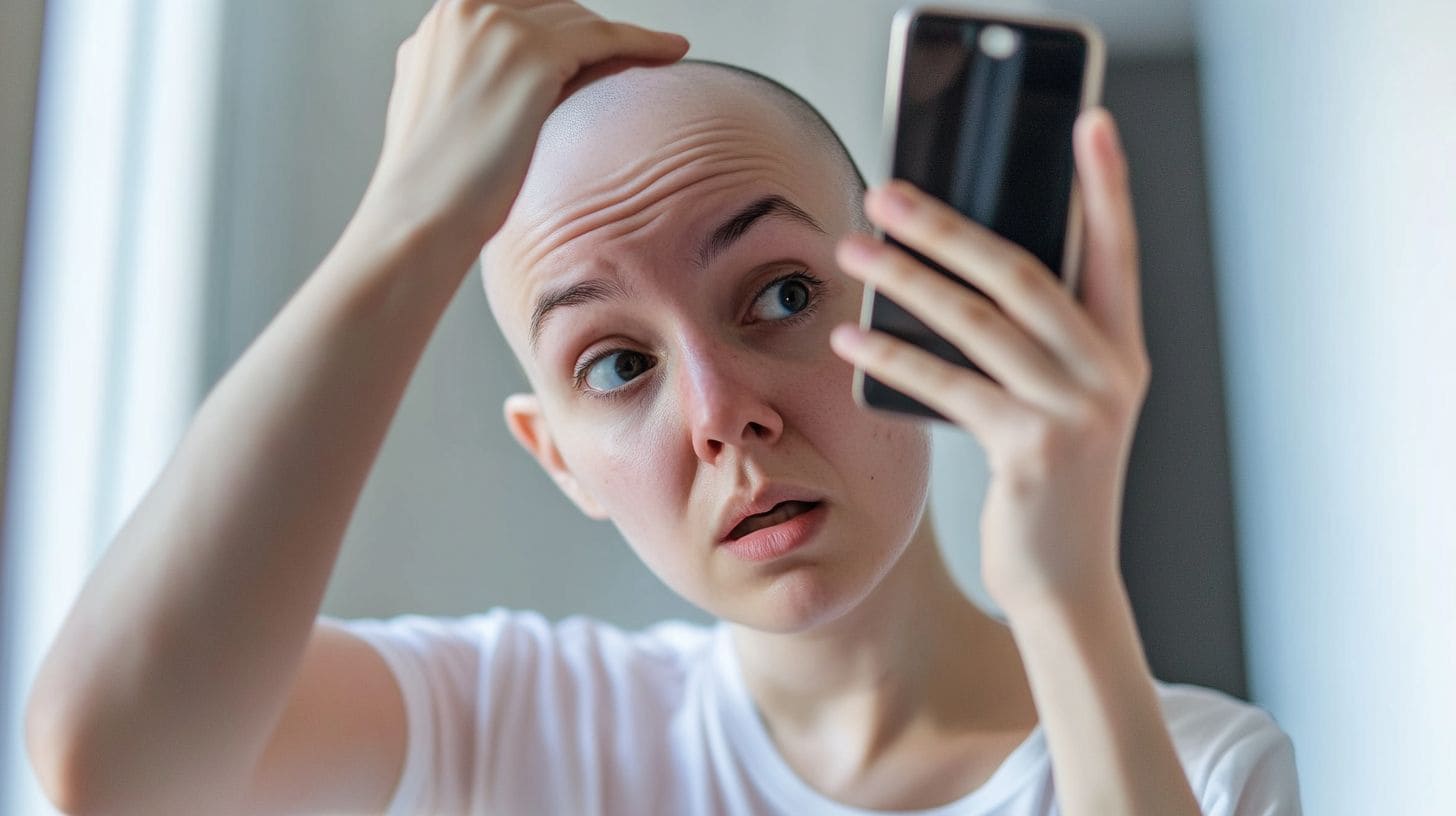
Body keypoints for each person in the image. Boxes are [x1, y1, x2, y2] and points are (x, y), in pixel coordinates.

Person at [25, 2, 1300, 814]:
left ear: (902, 298)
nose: (721, 412)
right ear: (560, 459)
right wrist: (405, 221)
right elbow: (115, 765)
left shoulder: (1188, 769)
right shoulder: (507, 723)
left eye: (782, 292)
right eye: (617, 366)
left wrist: (1068, 595)